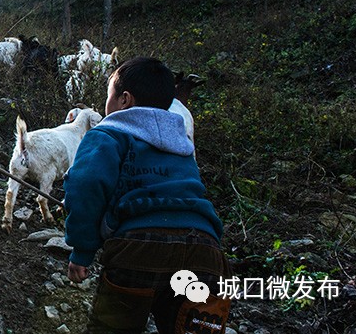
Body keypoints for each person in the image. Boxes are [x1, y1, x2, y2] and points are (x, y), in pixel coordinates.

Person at [63, 56, 231, 334]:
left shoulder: (108, 134)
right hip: (206, 252)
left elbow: (86, 185)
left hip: (138, 248)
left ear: (124, 100)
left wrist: (82, 249)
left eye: (109, 96)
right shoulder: (182, 144)